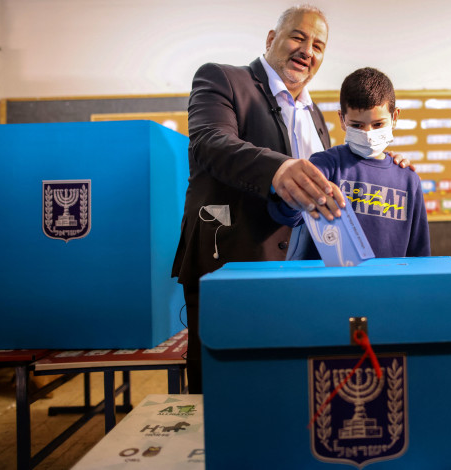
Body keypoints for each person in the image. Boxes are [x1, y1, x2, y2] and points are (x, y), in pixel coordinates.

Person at [172, 6, 415, 393]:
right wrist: (277, 169)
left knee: (283, 391)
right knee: (225, 393)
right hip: (235, 266)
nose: (308, 50)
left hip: (300, 277)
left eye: (318, 45)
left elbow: (334, 176)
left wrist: (388, 162)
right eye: (298, 37)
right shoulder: (223, 79)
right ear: (271, 39)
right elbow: (210, 142)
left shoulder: (317, 114)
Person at [269, 67, 431, 260]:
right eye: (357, 125)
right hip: (332, 284)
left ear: (394, 117)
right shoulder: (326, 165)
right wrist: (292, 196)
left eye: (378, 124)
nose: (368, 133)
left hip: (388, 285)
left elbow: (419, 251)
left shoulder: (408, 178)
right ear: (342, 119)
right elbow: (287, 214)